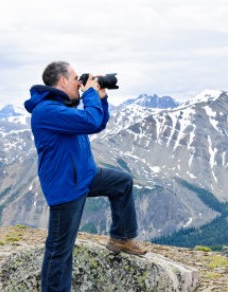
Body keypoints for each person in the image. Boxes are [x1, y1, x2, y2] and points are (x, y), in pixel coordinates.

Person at [24, 61, 146, 292]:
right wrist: (90, 92)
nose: (79, 84)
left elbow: (97, 123)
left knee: (122, 182)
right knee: (60, 250)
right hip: (66, 186)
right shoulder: (47, 111)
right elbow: (90, 121)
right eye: (74, 79)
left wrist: (99, 97)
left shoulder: (62, 107)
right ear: (62, 81)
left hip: (85, 176)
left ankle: (121, 238)